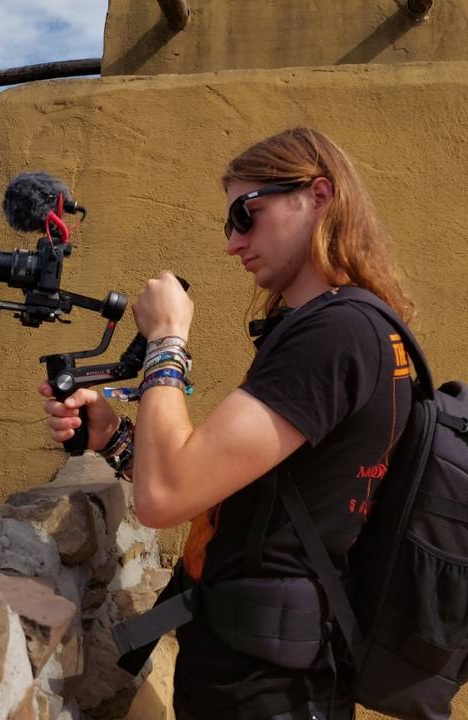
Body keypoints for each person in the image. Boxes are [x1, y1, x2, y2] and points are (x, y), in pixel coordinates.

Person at [38, 127, 415, 720]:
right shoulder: (352, 328)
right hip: (268, 662)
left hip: (265, 684)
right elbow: (231, 489)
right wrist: (114, 437)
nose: (234, 242)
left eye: (248, 214)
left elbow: (164, 500)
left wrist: (167, 339)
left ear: (318, 195)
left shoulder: (336, 334)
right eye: (229, 224)